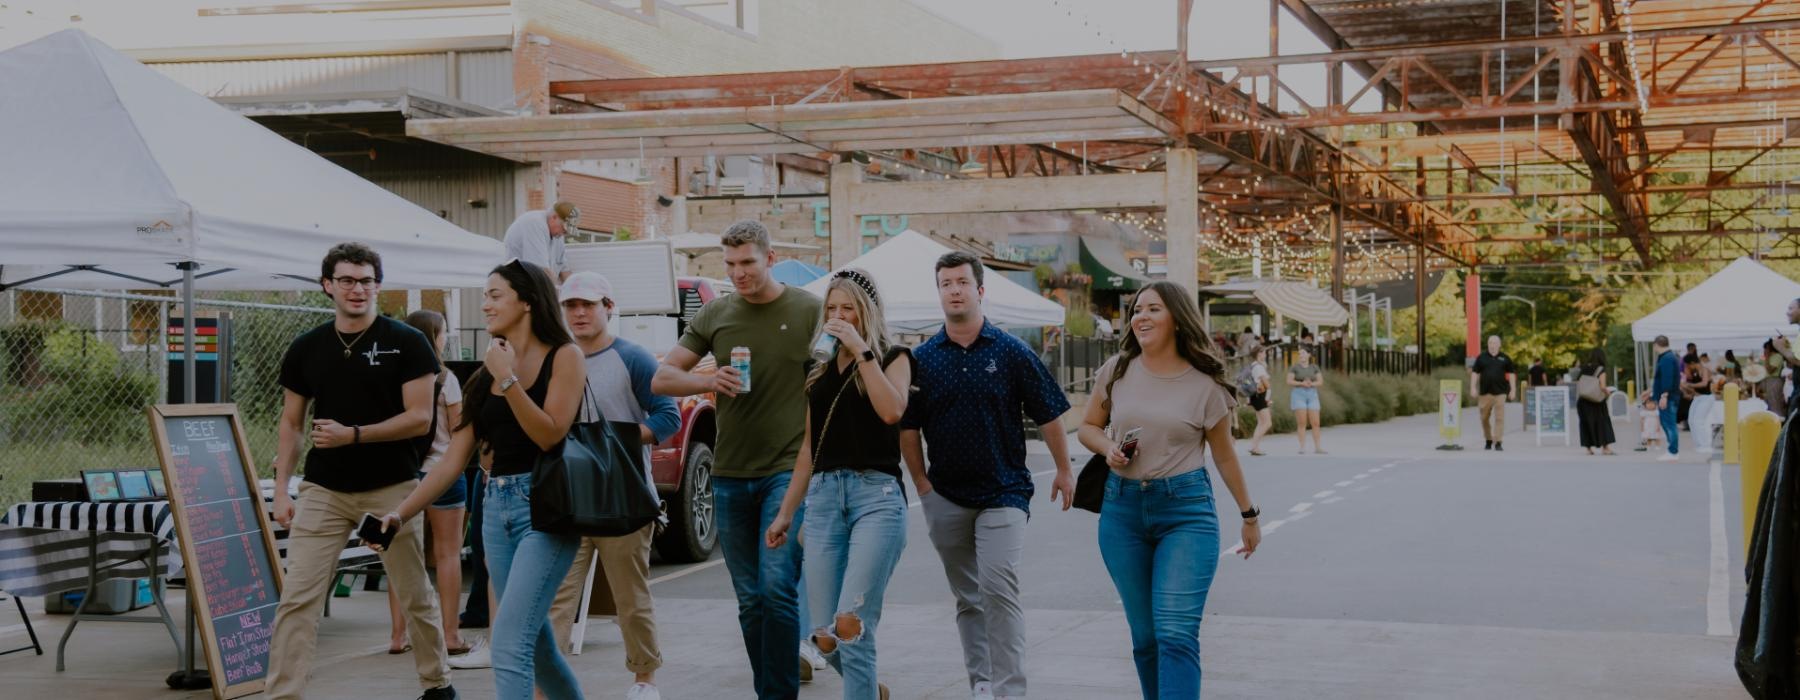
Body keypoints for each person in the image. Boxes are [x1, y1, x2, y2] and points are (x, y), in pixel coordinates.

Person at [376, 259, 588, 700]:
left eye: (495, 295)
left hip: (545, 510)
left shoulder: (564, 356)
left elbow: (550, 433)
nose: (485, 304)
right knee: (540, 646)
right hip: (495, 510)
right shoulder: (482, 374)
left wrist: (507, 379)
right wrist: (399, 513)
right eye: (485, 295)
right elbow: (452, 461)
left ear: (527, 301)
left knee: (508, 643)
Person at [266, 243, 457, 700]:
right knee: (298, 599)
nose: (358, 289)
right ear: (328, 285)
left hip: (391, 489)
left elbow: (419, 418)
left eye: (367, 280)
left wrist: (355, 434)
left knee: (413, 592)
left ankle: (437, 684)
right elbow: (292, 423)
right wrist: (281, 490)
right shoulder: (306, 348)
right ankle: (282, 694)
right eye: (348, 280)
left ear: (378, 286)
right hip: (324, 490)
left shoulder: (406, 342)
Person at [653, 220, 820, 700]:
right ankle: (767, 689)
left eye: (747, 262)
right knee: (750, 601)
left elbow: (831, 381)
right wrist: (708, 381)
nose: (739, 273)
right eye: (730, 264)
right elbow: (663, 378)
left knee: (775, 588)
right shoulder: (717, 314)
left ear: (770, 258)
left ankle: (779, 694)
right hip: (728, 475)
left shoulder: (808, 310)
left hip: (786, 470)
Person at [900, 251, 1074, 700]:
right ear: (939, 292)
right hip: (947, 496)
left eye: (961, 282)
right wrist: (921, 484)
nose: (954, 290)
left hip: (1004, 491)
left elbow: (1050, 413)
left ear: (979, 290)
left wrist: (1064, 469)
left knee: (998, 588)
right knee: (968, 598)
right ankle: (981, 681)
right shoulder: (921, 359)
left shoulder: (1011, 351)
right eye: (946, 284)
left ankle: (1009, 690)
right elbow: (908, 427)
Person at [1076, 280, 1262, 699]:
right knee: (1146, 639)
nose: (1141, 316)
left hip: (1185, 513)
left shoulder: (1205, 385)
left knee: (1176, 633)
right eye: (1137, 310)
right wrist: (1108, 448)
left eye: (1153, 309)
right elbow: (1087, 427)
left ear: (1177, 318)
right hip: (1121, 512)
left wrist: (1249, 515)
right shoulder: (1118, 369)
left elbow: (1225, 456)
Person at [764, 269, 912, 700]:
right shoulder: (819, 371)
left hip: (877, 498)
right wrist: (786, 513)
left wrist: (862, 350)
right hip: (825, 498)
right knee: (824, 635)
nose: (838, 316)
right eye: (831, 309)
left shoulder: (893, 357)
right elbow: (809, 450)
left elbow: (891, 412)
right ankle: (870, 690)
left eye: (848, 308)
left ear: (866, 313)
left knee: (851, 622)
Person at [547, 272, 679, 700]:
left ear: (608, 306)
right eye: (571, 306)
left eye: (588, 304)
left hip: (623, 495)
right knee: (557, 599)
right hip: (568, 497)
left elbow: (668, 416)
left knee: (631, 598)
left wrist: (616, 438)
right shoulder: (554, 357)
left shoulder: (634, 358)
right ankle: (548, 685)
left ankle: (645, 680)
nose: (579, 313)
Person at [384, 311, 473, 657]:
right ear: (432, 336)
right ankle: (450, 635)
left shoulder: (390, 377)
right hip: (442, 473)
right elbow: (459, 429)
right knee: (448, 554)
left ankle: (398, 635)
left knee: (402, 557)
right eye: (442, 334)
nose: (444, 339)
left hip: (401, 474)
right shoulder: (445, 378)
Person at [504, 201, 579, 282]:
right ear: (554, 217)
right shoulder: (534, 223)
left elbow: (564, 269)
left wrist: (573, 288)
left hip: (536, 285)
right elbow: (541, 270)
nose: (565, 233)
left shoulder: (557, 234)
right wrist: (555, 292)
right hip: (519, 283)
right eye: (564, 228)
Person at [1470, 335, 1516, 451]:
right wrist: (1473, 387)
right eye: (1490, 342)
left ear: (1499, 345)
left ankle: (1498, 442)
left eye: (1495, 343)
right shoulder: (1481, 358)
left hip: (1500, 393)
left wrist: (1513, 389)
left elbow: (1511, 374)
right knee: (1484, 418)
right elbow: (1475, 373)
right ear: (1488, 344)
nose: (1492, 345)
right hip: (1485, 393)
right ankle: (1488, 439)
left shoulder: (1505, 358)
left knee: (1500, 418)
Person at [1575, 349, 1617, 456]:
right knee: (1602, 423)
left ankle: (1588, 449)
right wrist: (1608, 393)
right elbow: (1602, 386)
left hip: (1583, 400)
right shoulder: (1601, 369)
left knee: (1586, 423)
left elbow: (1578, 382)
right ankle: (1605, 448)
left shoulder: (1583, 368)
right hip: (1596, 401)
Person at [1651, 335, 1683, 462]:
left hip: (1668, 397)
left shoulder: (1667, 359)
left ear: (1656, 345)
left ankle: (1673, 451)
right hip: (1669, 396)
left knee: (1669, 424)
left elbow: (1667, 379)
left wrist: (1664, 395)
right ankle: (1672, 450)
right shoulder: (1669, 357)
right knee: (1667, 423)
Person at [1288, 347, 1325, 454]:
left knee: (1316, 423)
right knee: (1302, 423)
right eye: (1299, 354)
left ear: (1309, 355)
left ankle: (1318, 447)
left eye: (1303, 353)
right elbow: (1289, 381)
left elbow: (1320, 381)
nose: (1301, 355)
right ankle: (1302, 447)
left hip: (1312, 394)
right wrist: (1301, 383)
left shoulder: (1314, 367)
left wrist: (1311, 384)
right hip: (1299, 394)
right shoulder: (1295, 367)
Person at [1246, 345, 1273, 457]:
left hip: (1255, 396)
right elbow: (1266, 384)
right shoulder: (1259, 368)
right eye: (1264, 352)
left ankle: (1255, 447)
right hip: (1259, 396)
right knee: (1267, 423)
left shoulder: (1254, 365)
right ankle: (1254, 446)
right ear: (1259, 354)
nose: (1265, 354)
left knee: (1261, 422)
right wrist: (1268, 391)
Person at [1760, 340, 1788, 417]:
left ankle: (1777, 419)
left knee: (1775, 403)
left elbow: (1770, 370)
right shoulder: (1770, 357)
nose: (1764, 351)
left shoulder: (1777, 356)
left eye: (1765, 349)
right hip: (1768, 381)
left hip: (1774, 381)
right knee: (1769, 402)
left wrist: (1767, 358)